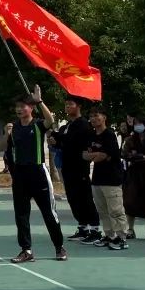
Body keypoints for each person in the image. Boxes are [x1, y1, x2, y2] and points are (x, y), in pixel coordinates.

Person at [5, 85, 66, 263]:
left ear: (31, 108)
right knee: (21, 215)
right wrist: (6, 133)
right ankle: (26, 250)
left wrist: (39, 101)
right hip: (20, 174)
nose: (19, 109)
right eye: (17, 107)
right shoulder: (14, 127)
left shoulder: (38, 124)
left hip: (38, 173)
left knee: (49, 213)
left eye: (22, 106)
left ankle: (59, 247)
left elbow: (50, 120)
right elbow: (2, 147)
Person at [53, 96, 101, 243]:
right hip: (67, 166)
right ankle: (82, 227)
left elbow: (74, 141)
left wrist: (59, 138)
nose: (67, 107)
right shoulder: (68, 125)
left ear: (78, 106)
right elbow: (63, 143)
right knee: (73, 199)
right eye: (66, 104)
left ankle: (95, 230)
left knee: (85, 198)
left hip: (79, 168)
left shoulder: (83, 124)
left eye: (70, 104)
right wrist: (54, 140)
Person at [84, 106, 128, 251]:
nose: (93, 119)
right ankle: (110, 235)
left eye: (96, 115)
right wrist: (95, 155)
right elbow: (85, 155)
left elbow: (103, 156)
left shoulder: (109, 135)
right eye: (91, 116)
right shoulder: (91, 135)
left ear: (104, 117)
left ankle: (121, 238)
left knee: (116, 210)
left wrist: (96, 156)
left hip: (112, 178)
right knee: (102, 211)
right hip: (97, 178)